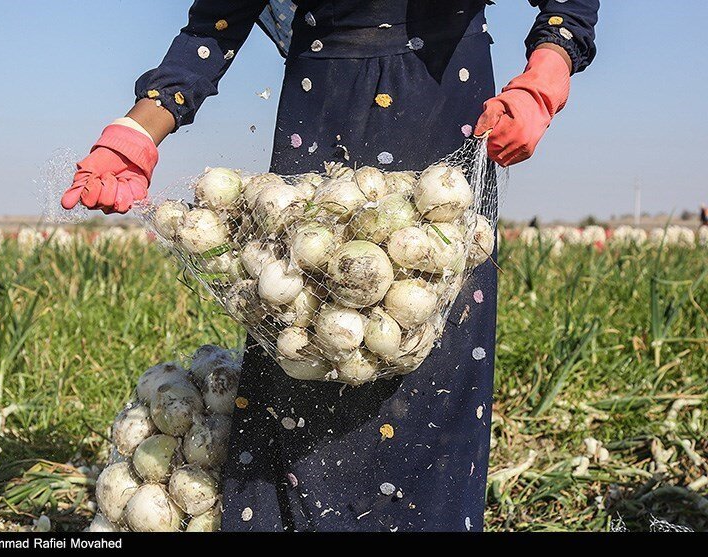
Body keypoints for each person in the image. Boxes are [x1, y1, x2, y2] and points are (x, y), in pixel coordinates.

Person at [62, 1, 599, 532]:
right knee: (302, 337)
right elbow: (219, 19)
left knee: (430, 372)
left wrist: (547, 72)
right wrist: (139, 129)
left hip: (444, 109)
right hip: (320, 110)